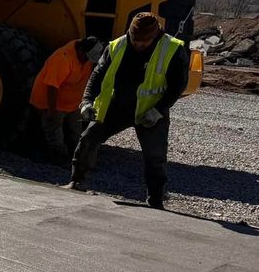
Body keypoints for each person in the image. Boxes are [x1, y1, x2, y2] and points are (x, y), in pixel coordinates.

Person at [69, 12, 189, 209]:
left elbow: (178, 85)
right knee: (88, 138)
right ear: (129, 33)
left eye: (144, 41)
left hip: (150, 110)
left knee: (155, 155)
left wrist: (158, 110)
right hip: (116, 106)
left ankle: (155, 200)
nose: (139, 44)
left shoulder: (172, 49)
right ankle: (76, 181)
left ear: (156, 35)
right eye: (135, 39)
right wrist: (87, 102)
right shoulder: (117, 46)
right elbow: (97, 75)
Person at [30, 36, 103, 164]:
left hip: (72, 103)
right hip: (52, 101)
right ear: (81, 50)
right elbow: (51, 87)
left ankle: (79, 158)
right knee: (54, 131)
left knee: (76, 132)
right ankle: (59, 158)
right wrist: (51, 111)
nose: (88, 61)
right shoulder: (62, 58)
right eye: (87, 58)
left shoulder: (86, 55)